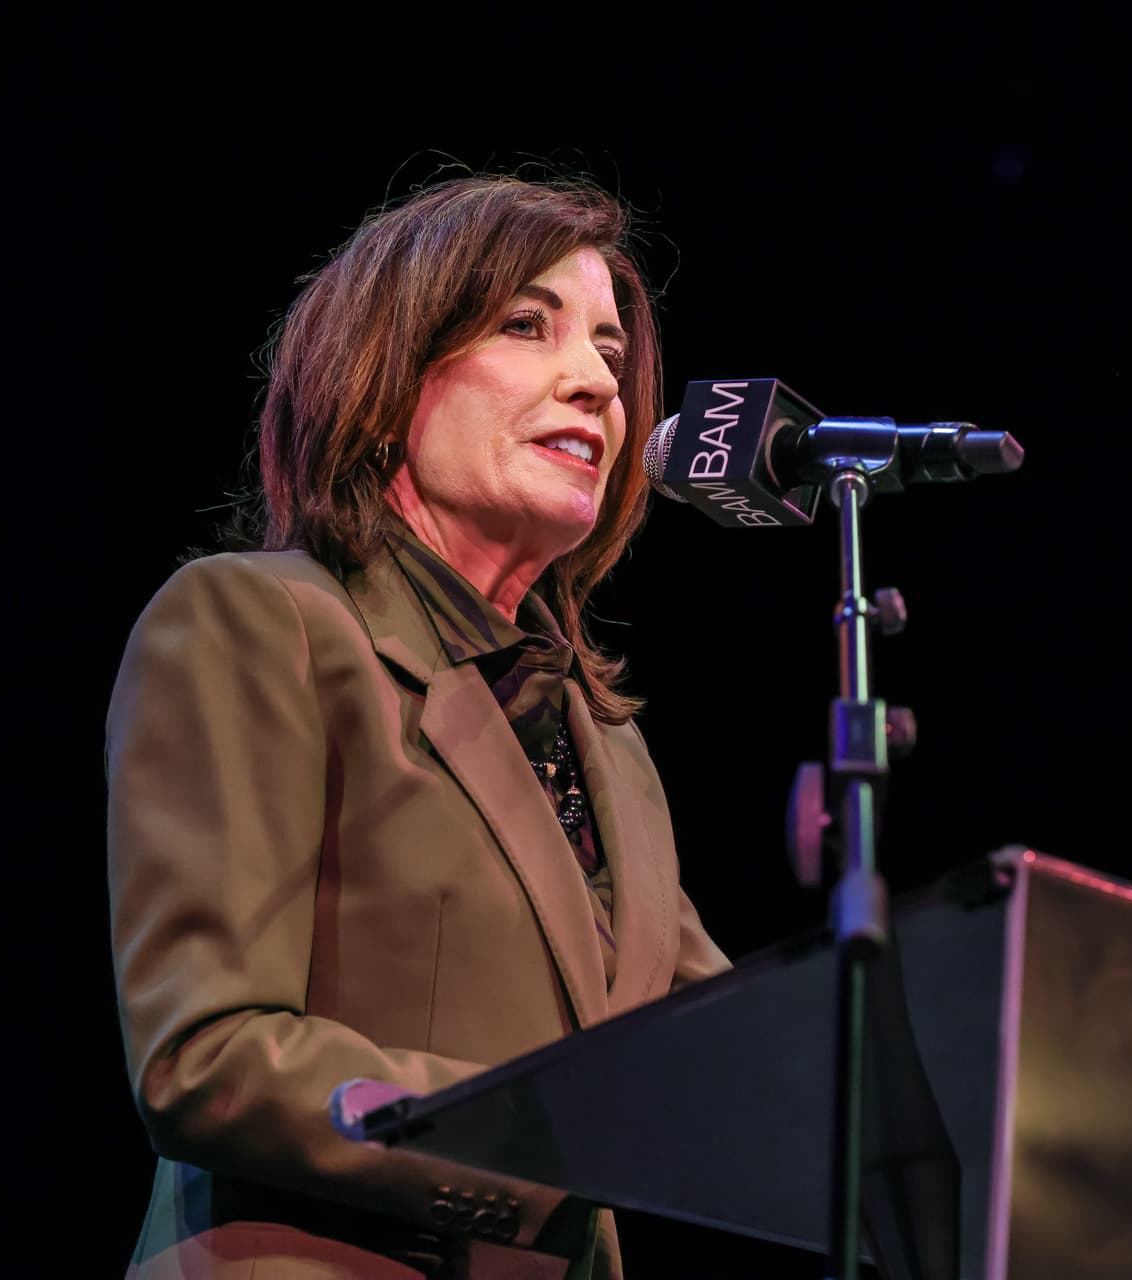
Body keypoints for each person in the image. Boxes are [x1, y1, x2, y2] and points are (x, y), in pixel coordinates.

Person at [106, 175, 730, 1280]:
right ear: (387, 379)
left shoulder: (606, 744)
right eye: (528, 327)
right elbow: (207, 1057)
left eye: (609, 351)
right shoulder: (264, 623)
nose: (597, 380)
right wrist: (534, 1146)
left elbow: (734, 1061)